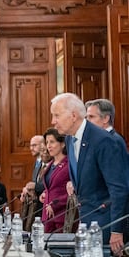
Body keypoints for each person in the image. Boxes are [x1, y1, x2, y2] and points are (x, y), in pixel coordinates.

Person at [50, 93, 129, 254]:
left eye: (56, 115)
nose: (53, 121)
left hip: (106, 225)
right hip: (85, 223)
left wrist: (116, 230)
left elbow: (119, 189)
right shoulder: (69, 140)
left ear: (73, 116)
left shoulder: (104, 140)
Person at [85, 98, 129, 243]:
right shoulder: (100, 140)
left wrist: (117, 229)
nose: (87, 121)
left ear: (106, 119)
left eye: (91, 117)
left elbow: (119, 187)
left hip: (109, 214)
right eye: (86, 117)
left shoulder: (112, 141)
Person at [39, 128, 70, 233]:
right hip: (47, 217)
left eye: (52, 142)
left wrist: (56, 203)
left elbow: (74, 190)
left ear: (62, 144)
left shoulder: (69, 164)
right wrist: (45, 193)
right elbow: (53, 186)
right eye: (47, 142)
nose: (48, 146)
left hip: (61, 216)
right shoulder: (51, 164)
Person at [20, 135, 49, 231]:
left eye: (34, 145)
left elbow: (49, 184)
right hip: (36, 208)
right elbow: (34, 182)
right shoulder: (38, 164)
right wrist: (27, 189)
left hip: (46, 207)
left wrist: (35, 186)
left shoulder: (52, 165)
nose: (31, 148)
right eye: (30, 145)